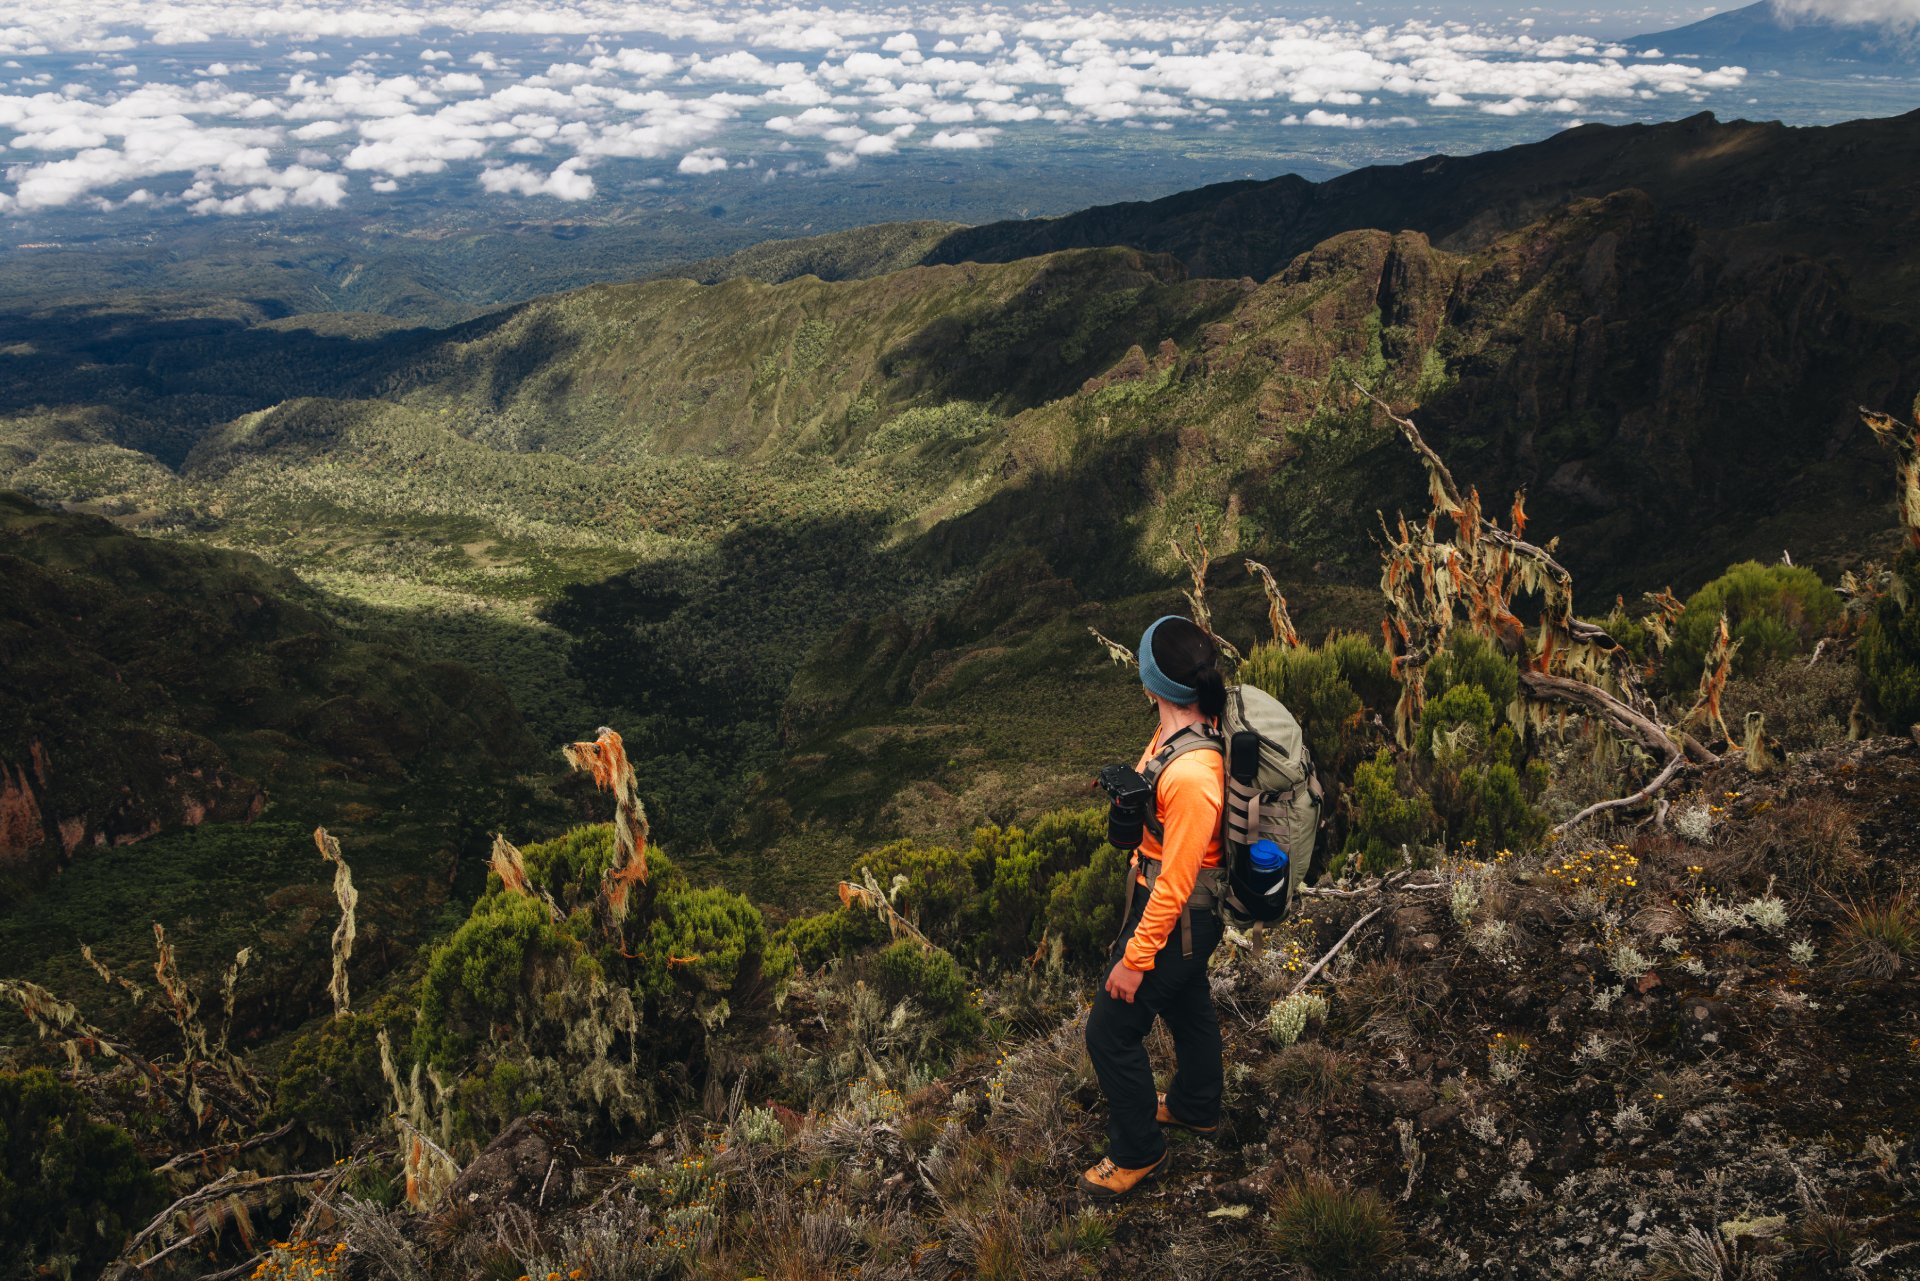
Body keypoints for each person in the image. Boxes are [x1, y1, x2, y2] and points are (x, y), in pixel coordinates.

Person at [1080, 614, 1227, 1199]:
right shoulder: (1175, 735)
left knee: (1110, 1031)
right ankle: (1196, 1107)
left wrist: (1136, 957)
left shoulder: (1194, 774)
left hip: (1179, 917)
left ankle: (1137, 1151)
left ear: (1151, 684)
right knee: (1190, 1005)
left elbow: (1179, 881)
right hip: (1180, 913)